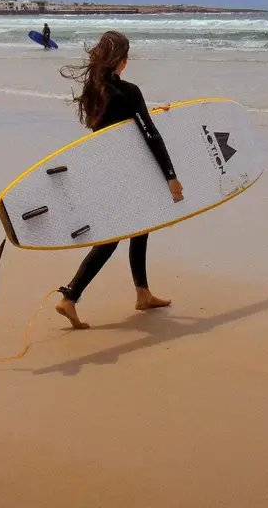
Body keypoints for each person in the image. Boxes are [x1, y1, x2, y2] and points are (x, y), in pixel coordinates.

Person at [54, 31, 184, 329]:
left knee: (141, 227)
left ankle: (143, 293)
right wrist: (171, 177)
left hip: (106, 171)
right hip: (129, 174)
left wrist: (151, 113)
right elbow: (149, 135)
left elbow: (119, 129)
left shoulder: (94, 91)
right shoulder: (128, 91)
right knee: (113, 238)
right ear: (122, 61)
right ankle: (70, 297)